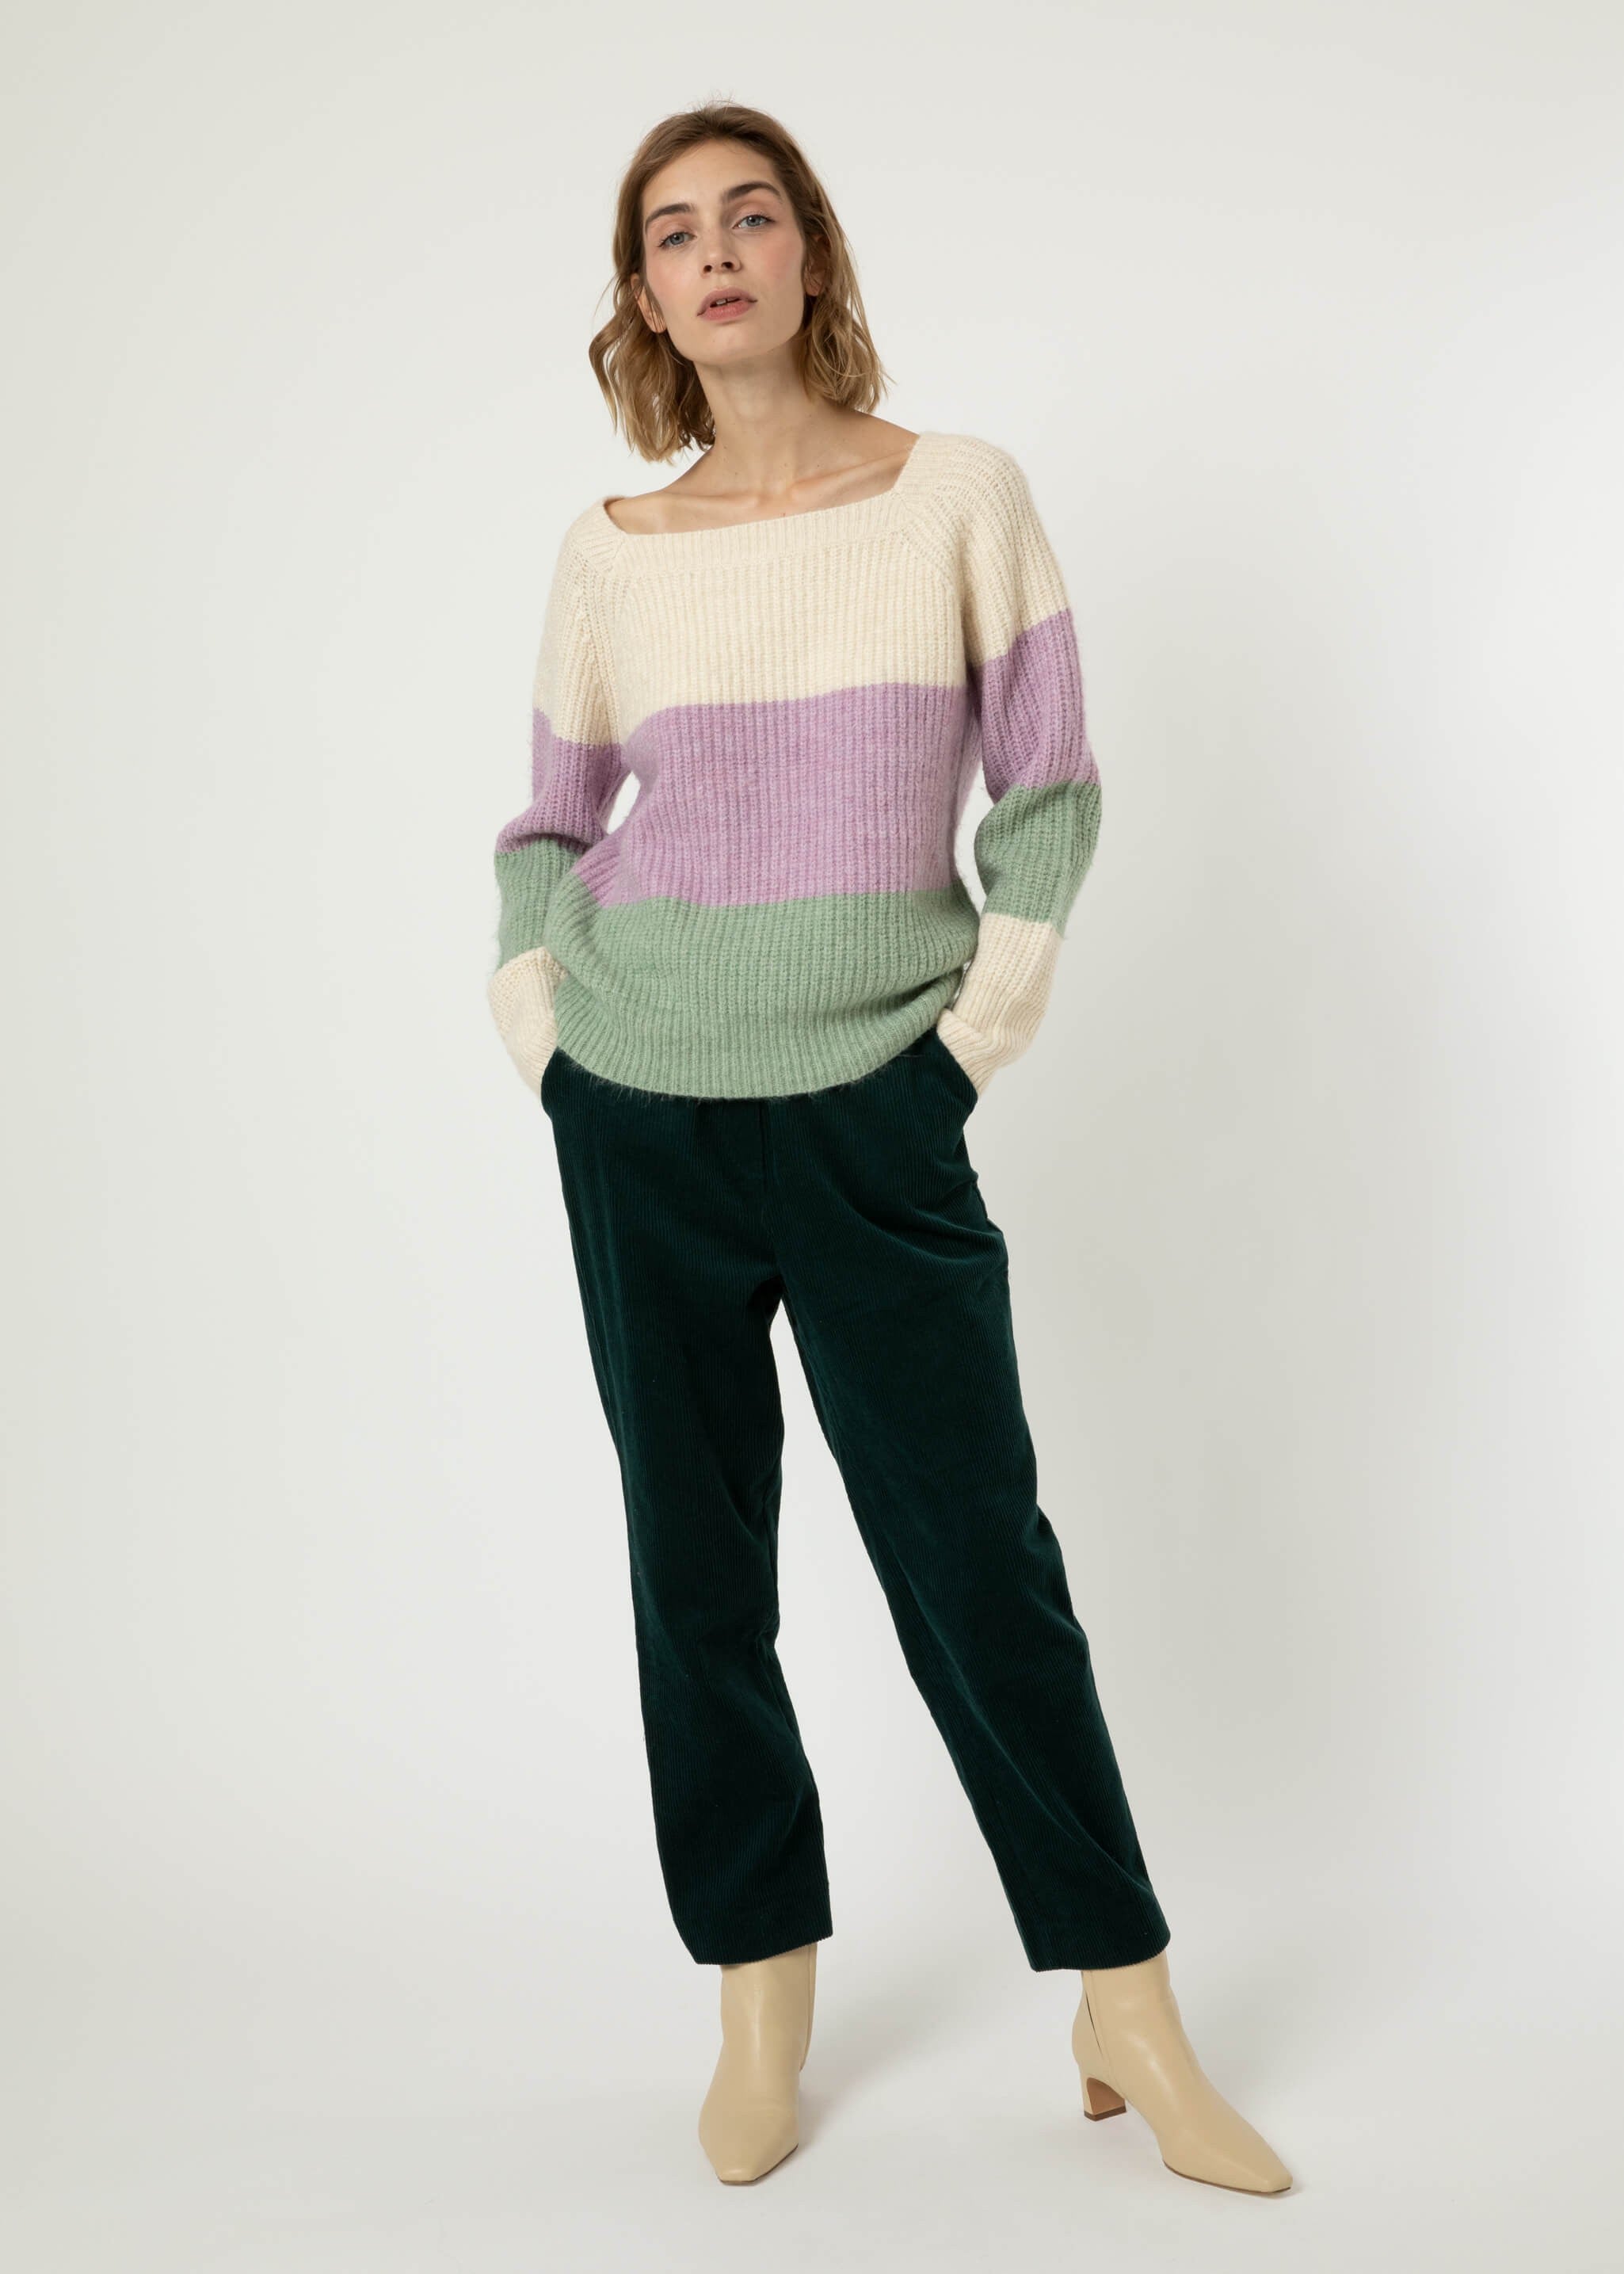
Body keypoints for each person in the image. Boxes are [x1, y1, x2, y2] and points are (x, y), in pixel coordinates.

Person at [487, 100, 1291, 2197]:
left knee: (976, 1561)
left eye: (751, 215)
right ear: (644, 292)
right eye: (675, 231)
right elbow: (548, 824)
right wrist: (548, 1036)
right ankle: (759, 1993)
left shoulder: (957, 497)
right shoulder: (609, 551)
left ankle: (1123, 1998)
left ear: (811, 252)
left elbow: (1050, 793)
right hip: (642, 1110)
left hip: (873, 1109)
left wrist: (963, 1047)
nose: (716, 252)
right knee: (696, 1573)